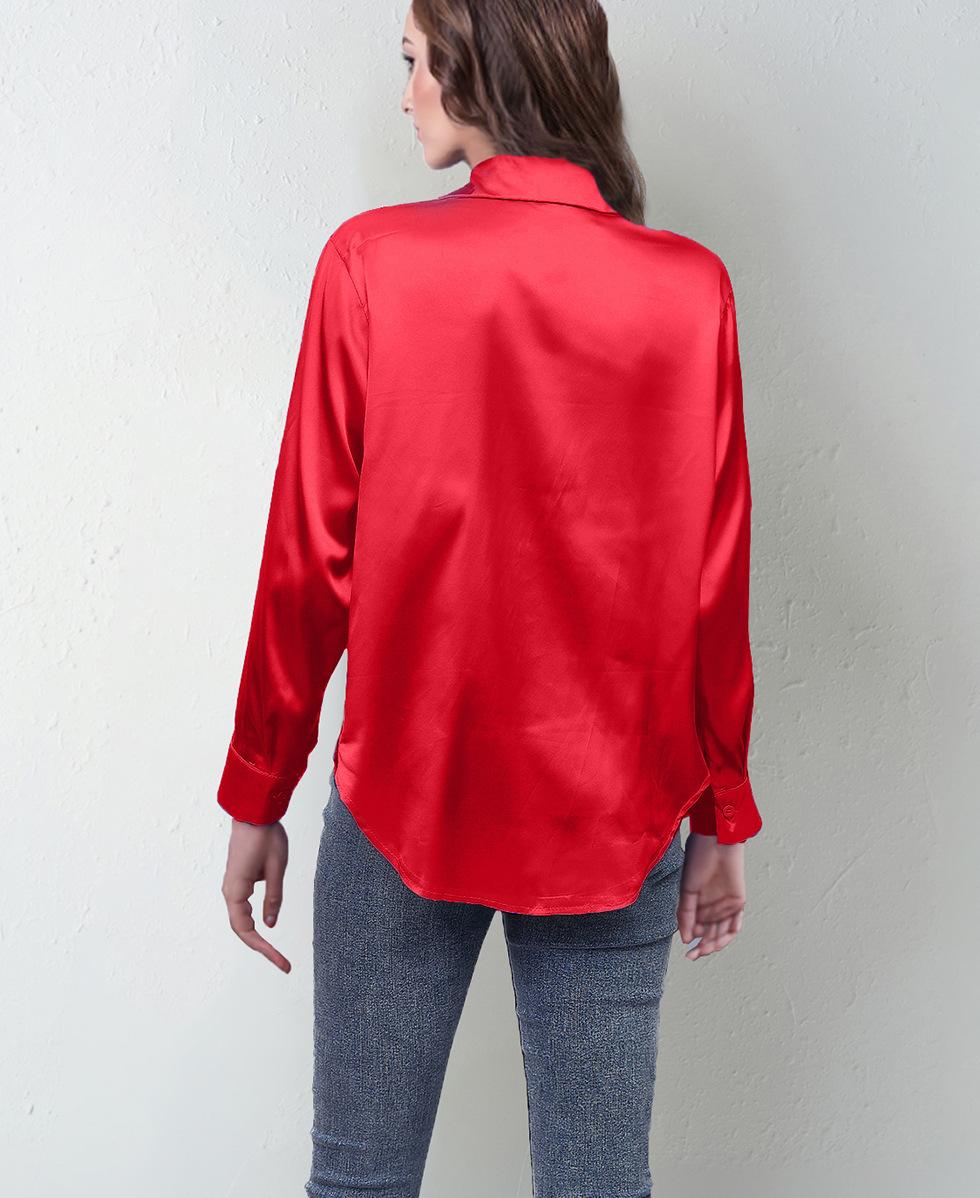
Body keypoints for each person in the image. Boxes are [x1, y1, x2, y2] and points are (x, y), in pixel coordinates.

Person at [217, 3, 763, 1195]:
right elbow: (711, 580)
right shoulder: (688, 288)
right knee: (597, 1183)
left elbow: (307, 558)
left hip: (406, 786)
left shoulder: (369, 264)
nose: (403, 90)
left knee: (357, 1181)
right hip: (617, 806)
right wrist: (717, 811)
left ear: (475, 68)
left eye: (413, 61)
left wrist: (259, 786)